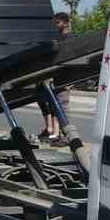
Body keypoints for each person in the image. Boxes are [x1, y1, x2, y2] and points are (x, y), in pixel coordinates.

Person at [41, 13, 73, 142]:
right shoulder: (58, 38)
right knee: (56, 105)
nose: (55, 25)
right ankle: (57, 133)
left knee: (63, 106)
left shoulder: (70, 38)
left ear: (65, 23)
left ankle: (66, 136)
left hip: (64, 77)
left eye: (58, 23)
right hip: (56, 76)